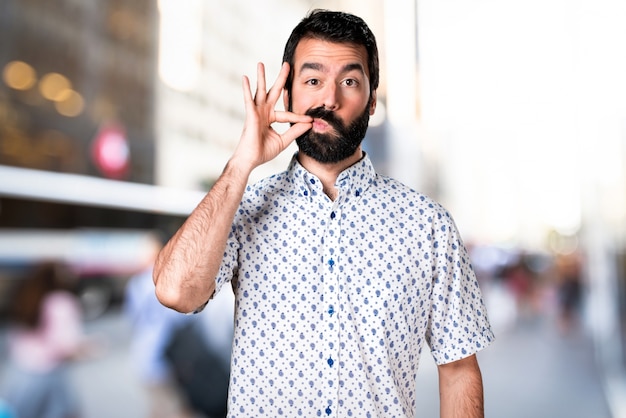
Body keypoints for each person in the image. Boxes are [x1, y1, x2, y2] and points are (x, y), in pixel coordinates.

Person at [153, 9, 495, 418]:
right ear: (288, 97)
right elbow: (175, 292)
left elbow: (458, 370)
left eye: (349, 81)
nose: (329, 99)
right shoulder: (242, 208)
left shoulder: (429, 225)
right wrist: (242, 163)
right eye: (313, 80)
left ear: (371, 101)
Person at [0, 262, 91, 418]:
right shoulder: (61, 301)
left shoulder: (26, 296)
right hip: (48, 375)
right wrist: (89, 349)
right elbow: (66, 346)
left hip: (20, 373)